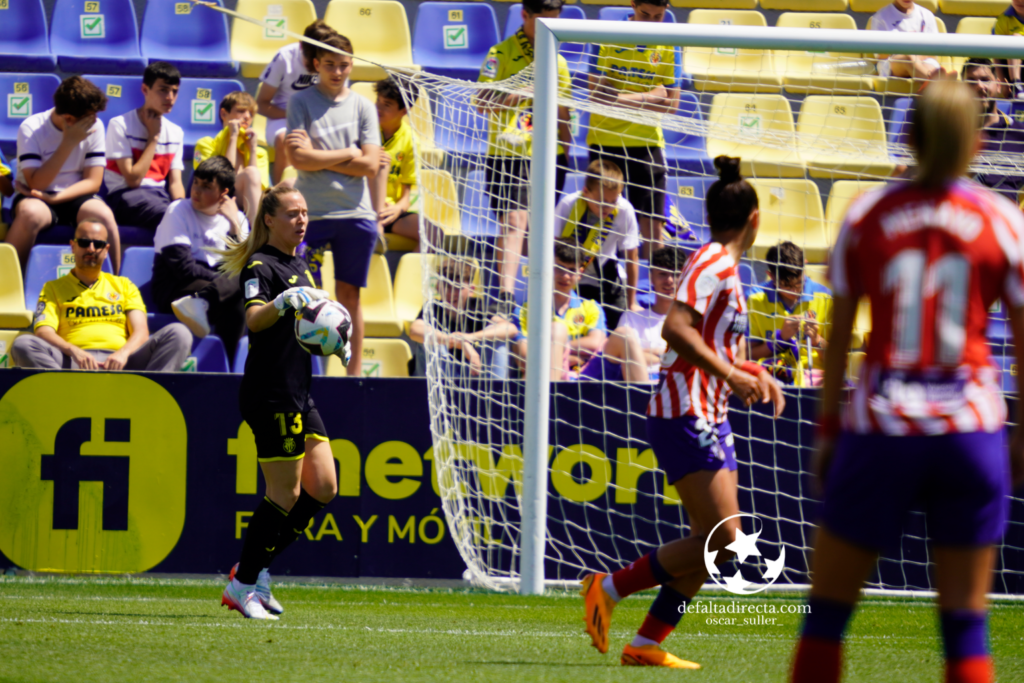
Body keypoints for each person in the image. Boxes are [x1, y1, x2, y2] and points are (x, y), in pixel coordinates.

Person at [791, 79, 1024, 683]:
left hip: (882, 427)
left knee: (826, 619)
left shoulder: (868, 214)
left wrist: (828, 429)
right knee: (966, 627)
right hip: (971, 430)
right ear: (977, 144)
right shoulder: (1002, 220)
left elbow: (838, 340)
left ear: (910, 136)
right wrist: (1019, 437)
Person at [580, 156, 785, 669]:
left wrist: (750, 371)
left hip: (710, 413)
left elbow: (709, 343)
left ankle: (647, 643)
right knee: (726, 544)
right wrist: (733, 374)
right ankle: (607, 587)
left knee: (710, 544)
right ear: (755, 219)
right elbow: (675, 328)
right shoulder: (713, 261)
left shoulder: (728, 270)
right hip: (684, 410)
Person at [215, 185, 338, 620]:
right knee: (283, 493)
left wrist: (333, 339)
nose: (301, 219)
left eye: (305, 212)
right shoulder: (260, 265)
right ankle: (243, 584)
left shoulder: (299, 263)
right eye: (292, 213)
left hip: (299, 391)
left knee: (323, 486)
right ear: (269, 219)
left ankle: (255, 569)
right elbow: (254, 318)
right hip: (270, 393)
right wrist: (281, 301)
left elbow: (307, 327)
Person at [286, 32, 382, 378]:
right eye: (330, 64)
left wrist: (318, 156)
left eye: (343, 65)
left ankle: (352, 374)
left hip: (355, 214)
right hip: (311, 215)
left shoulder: (363, 106)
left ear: (352, 65)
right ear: (316, 64)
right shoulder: (301, 102)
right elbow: (297, 159)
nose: (337, 71)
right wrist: (349, 153)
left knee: (348, 296)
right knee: (304, 296)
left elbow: (371, 165)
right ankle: (302, 371)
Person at [475, 0, 573, 308]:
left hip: (549, 156)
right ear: (524, 16)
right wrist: (520, 92)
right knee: (515, 221)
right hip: (509, 155)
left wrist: (566, 149)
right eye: (543, 22)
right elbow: (481, 101)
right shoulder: (499, 54)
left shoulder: (558, 61)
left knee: (538, 231)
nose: (549, 30)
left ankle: (538, 302)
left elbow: (563, 114)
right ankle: (504, 297)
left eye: (555, 22)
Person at [11, 219, 190, 371]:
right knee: (23, 344)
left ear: (106, 250)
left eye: (98, 244)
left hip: (122, 363)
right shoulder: (53, 288)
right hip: (72, 364)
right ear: (72, 247)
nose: (91, 249)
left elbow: (141, 331)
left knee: (180, 333)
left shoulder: (124, 285)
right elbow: (43, 331)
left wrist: (123, 353)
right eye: (83, 243)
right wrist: (74, 350)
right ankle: (66, 395)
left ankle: (148, 396)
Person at [587, 0, 682, 259]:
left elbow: (672, 105)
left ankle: (657, 297)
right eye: (644, 14)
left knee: (653, 227)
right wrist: (651, 96)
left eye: (658, 17)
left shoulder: (671, 42)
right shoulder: (605, 37)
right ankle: (598, 291)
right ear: (632, 5)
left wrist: (619, 98)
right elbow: (596, 97)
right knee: (600, 223)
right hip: (605, 140)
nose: (651, 23)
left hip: (648, 143)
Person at [5, 76, 121, 272]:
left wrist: (55, 199)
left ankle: (117, 285)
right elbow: (37, 184)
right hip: (35, 197)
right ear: (69, 119)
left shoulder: (96, 126)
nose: (94, 120)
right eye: (89, 117)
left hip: (74, 196)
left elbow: (93, 182)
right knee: (29, 214)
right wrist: (68, 143)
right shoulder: (31, 127)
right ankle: (6, 283)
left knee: (104, 215)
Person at [153, 156, 249, 360]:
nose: (196, 190)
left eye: (206, 186)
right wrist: (224, 283)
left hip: (210, 294)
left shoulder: (238, 219)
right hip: (176, 288)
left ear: (224, 193)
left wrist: (233, 225)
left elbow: (238, 265)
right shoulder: (177, 210)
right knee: (237, 287)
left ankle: (224, 368)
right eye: (195, 182)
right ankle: (225, 367)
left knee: (238, 299)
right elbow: (183, 268)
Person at [894, 59, 1024, 200]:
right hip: (957, 213)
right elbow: (901, 173)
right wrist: (924, 104)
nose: (980, 86)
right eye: (971, 81)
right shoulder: (949, 129)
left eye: (985, 80)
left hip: (1002, 218)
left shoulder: (1019, 133)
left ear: (999, 86)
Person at [579, 245, 686, 383]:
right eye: (662, 274)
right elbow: (624, 357)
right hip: (641, 384)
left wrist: (651, 353)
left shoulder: (693, 322)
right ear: (651, 278)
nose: (669, 280)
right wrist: (670, 355)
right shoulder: (632, 318)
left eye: (676, 275)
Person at [555, 159, 640, 330]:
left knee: (620, 332)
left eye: (612, 201)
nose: (607, 207)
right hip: (572, 279)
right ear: (586, 192)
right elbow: (553, 247)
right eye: (601, 201)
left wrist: (632, 302)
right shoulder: (568, 205)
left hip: (608, 277)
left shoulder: (624, 210)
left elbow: (632, 257)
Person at [104, 61, 185, 231]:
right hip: (125, 197)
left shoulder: (176, 132)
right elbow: (133, 180)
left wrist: (183, 209)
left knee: (188, 219)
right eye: (163, 90)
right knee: (172, 219)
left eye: (175, 92)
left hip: (159, 198)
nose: (170, 97)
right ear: (145, 90)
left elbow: (175, 183)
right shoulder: (120, 125)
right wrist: (153, 137)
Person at [256, 19, 338, 186]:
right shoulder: (284, 57)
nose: (315, 66)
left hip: (320, 117)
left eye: (320, 60)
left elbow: (339, 103)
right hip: (283, 117)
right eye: (311, 60)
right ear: (301, 46)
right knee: (288, 140)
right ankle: (279, 197)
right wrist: (295, 113)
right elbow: (262, 104)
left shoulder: (336, 60)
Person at [512, 241, 608, 381]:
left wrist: (558, 349)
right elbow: (524, 357)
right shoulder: (526, 311)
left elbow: (595, 343)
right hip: (541, 383)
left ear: (580, 273)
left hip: (584, 382)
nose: (565, 276)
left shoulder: (591, 307)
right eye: (559, 268)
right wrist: (567, 356)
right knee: (557, 330)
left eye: (571, 270)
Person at [408, 257, 518, 378]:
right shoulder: (432, 307)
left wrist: (470, 338)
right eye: (446, 286)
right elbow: (414, 330)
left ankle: (496, 391)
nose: (451, 293)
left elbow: (510, 329)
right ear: (438, 287)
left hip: (472, 371)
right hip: (439, 376)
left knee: (498, 341)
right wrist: (457, 342)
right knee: (430, 340)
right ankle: (442, 394)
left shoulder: (476, 307)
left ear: (471, 290)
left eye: (458, 287)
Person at [747, 241, 832, 387]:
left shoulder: (825, 297)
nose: (793, 291)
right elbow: (747, 355)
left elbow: (841, 362)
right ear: (770, 276)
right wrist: (779, 341)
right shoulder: (755, 299)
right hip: (771, 373)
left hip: (814, 376)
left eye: (798, 283)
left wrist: (817, 340)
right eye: (786, 286)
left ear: (804, 267)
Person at [193, 91, 268, 225]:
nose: (247, 117)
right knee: (250, 172)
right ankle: (258, 236)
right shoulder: (205, 143)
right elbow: (221, 178)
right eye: (241, 111)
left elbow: (259, 186)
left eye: (251, 114)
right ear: (224, 114)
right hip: (218, 195)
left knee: (289, 182)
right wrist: (233, 137)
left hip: (248, 199)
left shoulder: (260, 151)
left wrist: (252, 149)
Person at [375, 76, 423, 251]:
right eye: (377, 101)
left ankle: (407, 278)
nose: (378, 108)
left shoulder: (411, 140)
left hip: (390, 213)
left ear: (404, 110)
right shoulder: (362, 130)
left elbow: (406, 196)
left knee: (433, 234)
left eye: (386, 105)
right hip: (362, 207)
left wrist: (397, 209)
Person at [868, 0, 943, 81]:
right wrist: (911, 54)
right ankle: (939, 84)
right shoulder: (880, 17)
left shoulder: (927, 15)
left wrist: (915, 57)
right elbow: (881, 56)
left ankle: (932, 81)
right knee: (908, 59)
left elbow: (933, 53)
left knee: (928, 65)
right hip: (891, 66)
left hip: (923, 62)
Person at [994, 0, 1024, 95]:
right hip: (1008, 68)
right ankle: (1016, 85)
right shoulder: (1003, 20)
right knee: (1015, 39)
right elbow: (995, 54)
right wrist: (1003, 84)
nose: (1019, 1)